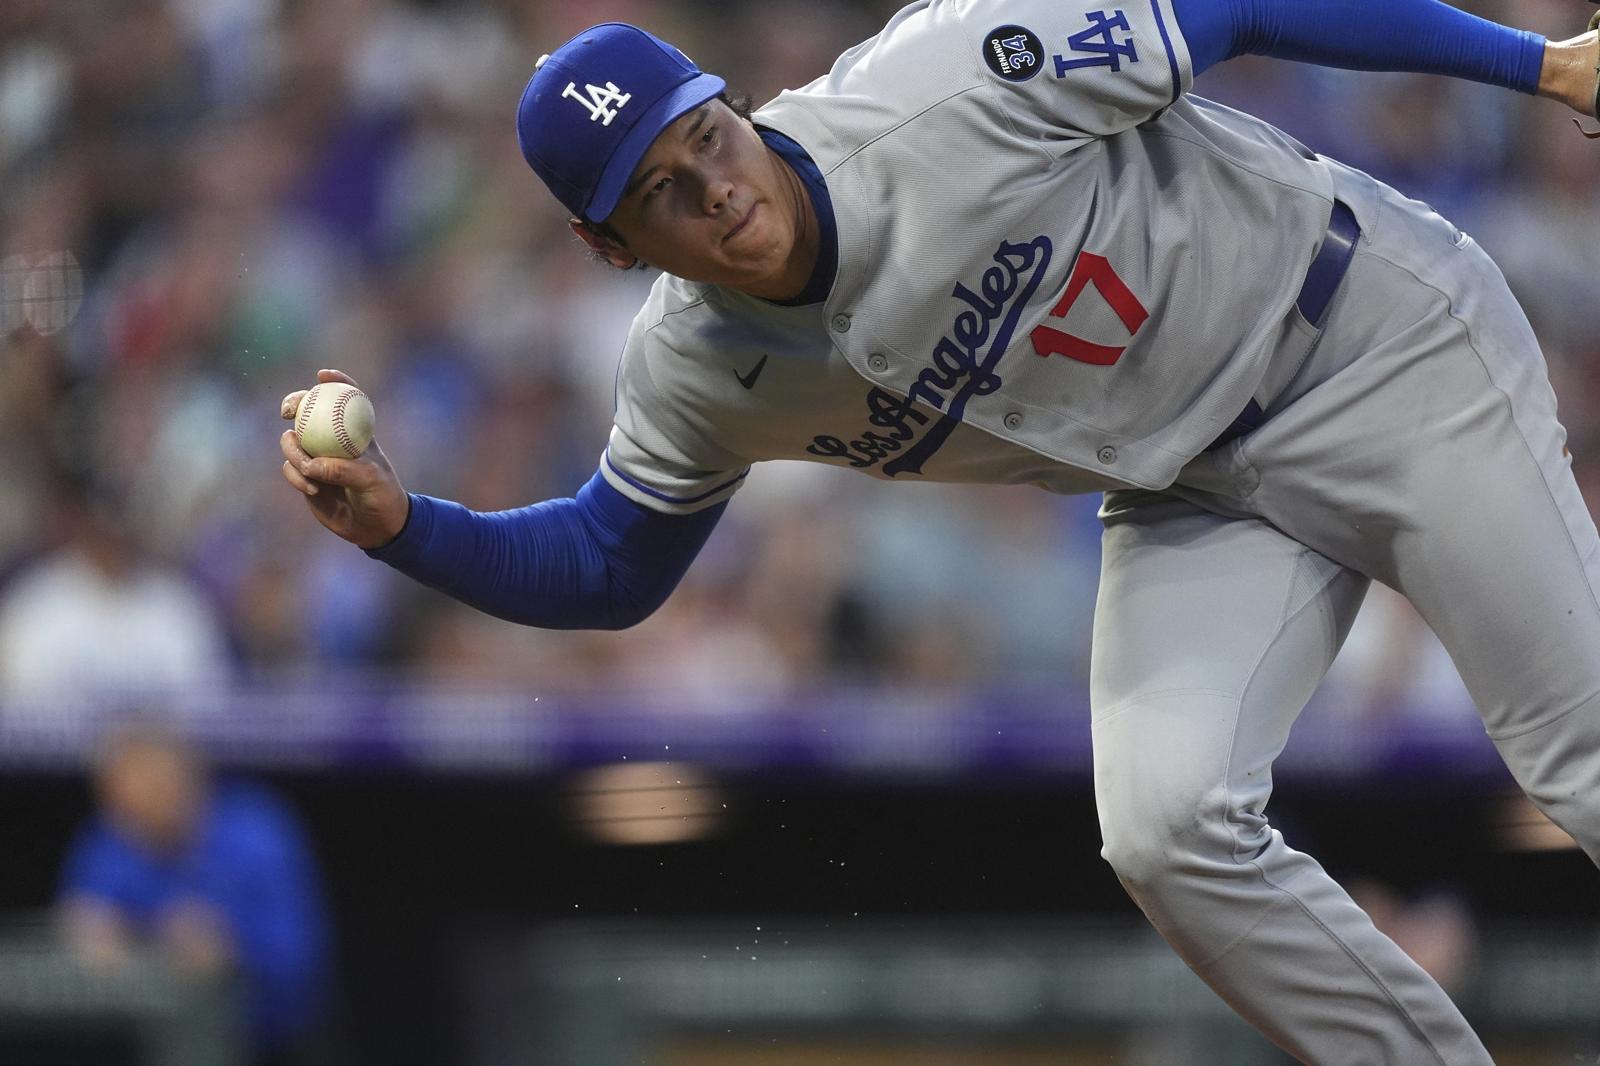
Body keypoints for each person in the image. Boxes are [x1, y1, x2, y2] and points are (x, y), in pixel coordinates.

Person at [279, 2, 1600, 1060]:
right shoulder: (695, 369)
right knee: (1167, 828)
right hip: (1195, 486)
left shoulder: (952, 75)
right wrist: (405, 526)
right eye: (662, 193)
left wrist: (1539, 66)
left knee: (1580, 759)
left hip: (1372, 343)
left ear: (733, 101)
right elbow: (610, 562)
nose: (715, 191)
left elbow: (1242, 4)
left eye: (708, 139)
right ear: (610, 247)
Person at [58, 723, 333, 1065]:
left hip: (273, 1039)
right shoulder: (113, 837)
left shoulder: (255, 832)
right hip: (154, 1039)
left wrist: (230, 947)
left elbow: (299, 959)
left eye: (147, 791)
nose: (129, 811)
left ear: (182, 781)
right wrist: (94, 933)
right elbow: (85, 911)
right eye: (117, 799)